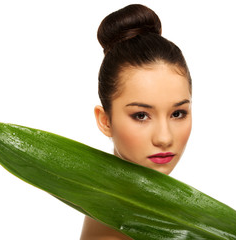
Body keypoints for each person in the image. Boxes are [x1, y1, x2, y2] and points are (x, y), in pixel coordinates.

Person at [80, 4, 192, 239]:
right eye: (141, 115)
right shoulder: (114, 226)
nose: (164, 138)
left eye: (177, 113)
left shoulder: (153, 207)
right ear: (105, 121)